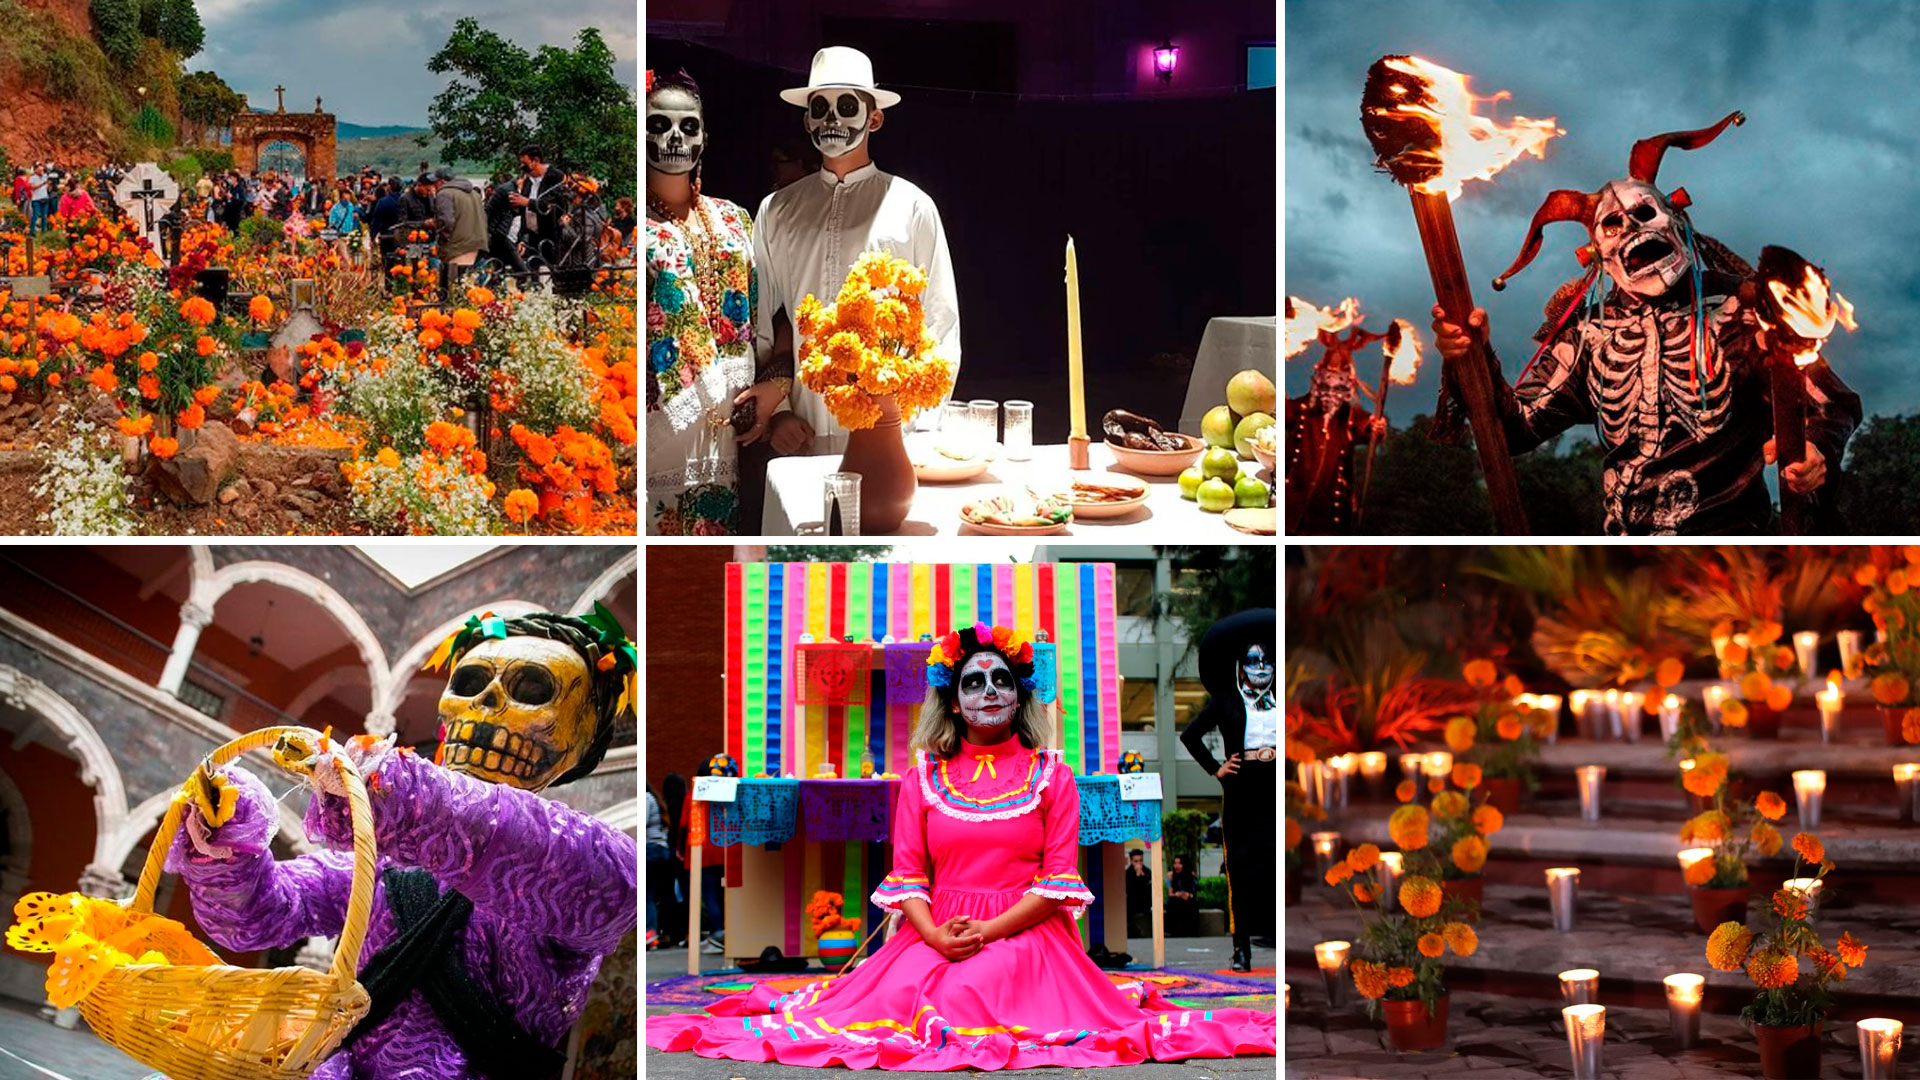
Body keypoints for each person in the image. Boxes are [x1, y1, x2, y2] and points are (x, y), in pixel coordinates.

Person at [648, 622, 1278, 1068]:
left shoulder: (1053, 774)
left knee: (975, 991)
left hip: (1026, 933)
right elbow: (906, 879)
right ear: (951, 699)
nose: (989, 692)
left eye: (1002, 679)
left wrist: (987, 932)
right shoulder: (920, 778)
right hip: (930, 931)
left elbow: (1057, 882)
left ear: (1021, 691)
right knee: (901, 1002)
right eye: (973, 683)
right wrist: (935, 936)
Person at [167, 609, 638, 1078]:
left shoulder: (596, 861)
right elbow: (257, 914)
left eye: (532, 691)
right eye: (469, 685)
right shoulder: (383, 864)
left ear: (582, 739)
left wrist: (389, 787)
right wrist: (225, 838)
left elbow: (559, 864)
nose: (485, 706)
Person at [1432, 112, 1861, 535]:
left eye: (1645, 213)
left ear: (1677, 221)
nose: (1632, 230)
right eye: (1613, 225)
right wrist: (1472, 357)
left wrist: (1816, 448)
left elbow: (1830, 404)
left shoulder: (1746, 310)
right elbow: (1511, 432)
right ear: (1597, 254)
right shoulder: (1587, 334)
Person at [752, 46, 961, 457]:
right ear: (806, 119)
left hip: (892, 430)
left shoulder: (912, 206)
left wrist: (917, 427)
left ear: (875, 118)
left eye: (846, 106)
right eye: (820, 107)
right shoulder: (776, 209)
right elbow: (760, 323)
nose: (831, 119)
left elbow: (940, 326)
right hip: (804, 431)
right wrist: (779, 411)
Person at [645, 69, 769, 535]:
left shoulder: (735, 220)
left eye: (688, 126)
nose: (675, 137)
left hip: (726, 433)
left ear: (704, 138)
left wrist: (773, 393)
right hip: (659, 431)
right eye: (659, 125)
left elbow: (769, 320)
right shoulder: (635, 229)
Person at [1179, 609, 1276, 973]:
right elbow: (1189, 735)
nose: (1261, 666)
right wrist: (1216, 769)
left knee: (1276, 862)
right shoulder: (1226, 700)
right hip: (1242, 784)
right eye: (1253, 660)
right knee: (1241, 864)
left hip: (1276, 783)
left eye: (1267, 659)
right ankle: (1241, 949)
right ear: (1241, 665)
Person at [1284, 319, 1391, 534]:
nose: (1331, 390)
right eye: (1326, 382)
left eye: (1337, 383)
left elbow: (1367, 427)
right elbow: (1284, 413)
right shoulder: (1302, 407)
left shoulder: (1351, 417)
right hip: (1291, 505)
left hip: (1328, 512)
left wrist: (1376, 428)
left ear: (1347, 384)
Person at [433, 166, 487, 293]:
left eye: (434, 183)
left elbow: (446, 221)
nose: (434, 186)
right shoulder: (474, 193)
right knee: (470, 284)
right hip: (477, 243)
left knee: (454, 288)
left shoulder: (444, 194)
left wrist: (442, 237)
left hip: (458, 245)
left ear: (441, 182)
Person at [646, 785, 667, 950]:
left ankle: (649, 932)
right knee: (649, 895)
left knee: (646, 894)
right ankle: (651, 934)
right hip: (659, 850)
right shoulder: (653, 799)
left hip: (651, 850)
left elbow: (643, 821)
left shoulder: (645, 798)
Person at [1166, 854, 1199, 938]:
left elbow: (1193, 893)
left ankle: (1191, 931)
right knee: (1171, 903)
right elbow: (1170, 893)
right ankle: (1172, 931)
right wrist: (1178, 894)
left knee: (1192, 903)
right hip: (1175, 898)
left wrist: (1187, 894)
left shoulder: (1191, 875)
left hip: (1188, 898)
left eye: (1179, 863)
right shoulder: (1171, 876)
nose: (1176, 866)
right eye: (1175, 863)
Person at [1124, 849, 1152, 940]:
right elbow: (1130, 890)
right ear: (1131, 861)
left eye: (1140, 861)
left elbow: (1147, 888)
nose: (1138, 864)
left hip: (1145, 904)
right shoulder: (1128, 873)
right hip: (1132, 905)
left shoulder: (1147, 872)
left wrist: (1141, 876)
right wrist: (1137, 875)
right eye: (1136, 861)